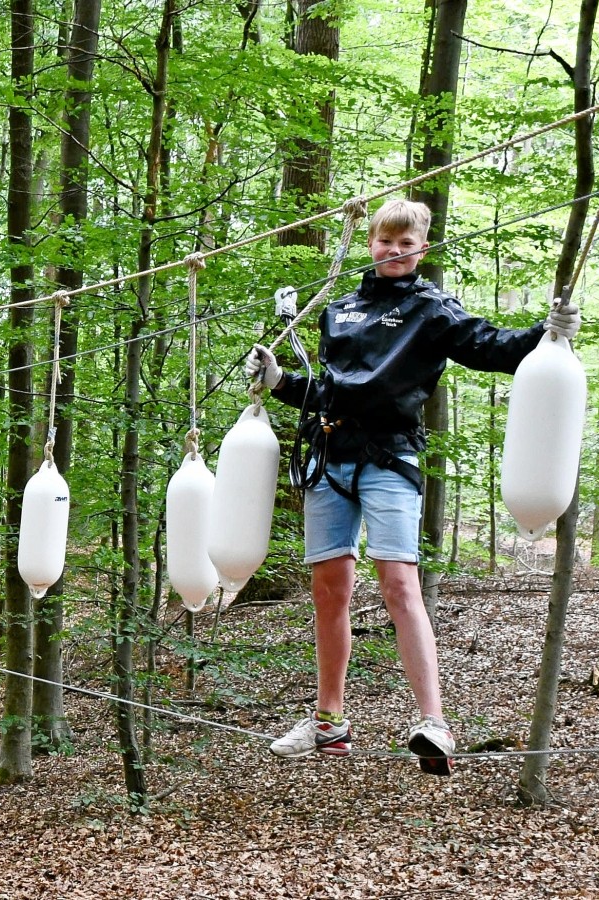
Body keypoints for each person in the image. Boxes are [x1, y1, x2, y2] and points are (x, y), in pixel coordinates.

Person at [244, 198, 580, 776]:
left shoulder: (431, 309)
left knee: (399, 582)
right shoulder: (341, 310)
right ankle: (328, 722)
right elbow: (331, 391)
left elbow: (491, 348)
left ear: (423, 248)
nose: (394, 251)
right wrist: (280, 382)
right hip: (329, 457)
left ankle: (434, 722)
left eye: (406, 244)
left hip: (389, 459)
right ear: (370, 244)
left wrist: (546, 334)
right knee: (328, 591)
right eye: (385, 241)